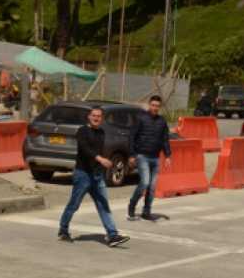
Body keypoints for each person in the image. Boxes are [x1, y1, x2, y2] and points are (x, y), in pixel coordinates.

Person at [58, 106, 130, 247]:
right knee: (74, 204)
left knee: (104, 206)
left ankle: (112, 235)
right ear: (89, 117)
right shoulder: (82, 131)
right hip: (83, 175)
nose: (96, 118)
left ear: (101, 119)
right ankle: (63, 230)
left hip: (97, 176)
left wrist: (105, 163)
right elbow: (85, 150)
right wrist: (100, 159)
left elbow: (98, 151)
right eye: (94, 115)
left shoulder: (101, 133)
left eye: (99, 116)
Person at [127, 95, 172, 221]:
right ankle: (132, 206)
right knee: (145, 183)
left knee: (152, 187)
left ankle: (147, 211)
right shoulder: (141, 118)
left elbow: (165, 139)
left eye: (157, 106)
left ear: (160, 107)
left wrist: (168, 155)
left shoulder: (162, 121)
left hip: (155, 158)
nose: (155, 108)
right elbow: (131, 137)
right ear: (149, 105)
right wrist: (131, 154)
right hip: (142, 156)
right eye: (153, 105)